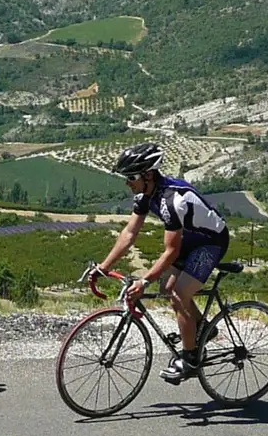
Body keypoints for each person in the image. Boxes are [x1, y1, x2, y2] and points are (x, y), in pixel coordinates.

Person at [89, 142, 231, 383]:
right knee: (166, 289)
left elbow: (171, 252)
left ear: (148, 175)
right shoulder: (146, 193)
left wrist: (144, 281)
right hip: (191, 238)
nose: (127, 183)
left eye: (131, 177)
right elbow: (129, 234)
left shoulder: (172, 200)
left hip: (211, 242)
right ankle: (204, 328)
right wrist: (104, 267)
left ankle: (190, 360)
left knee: (179, 294)